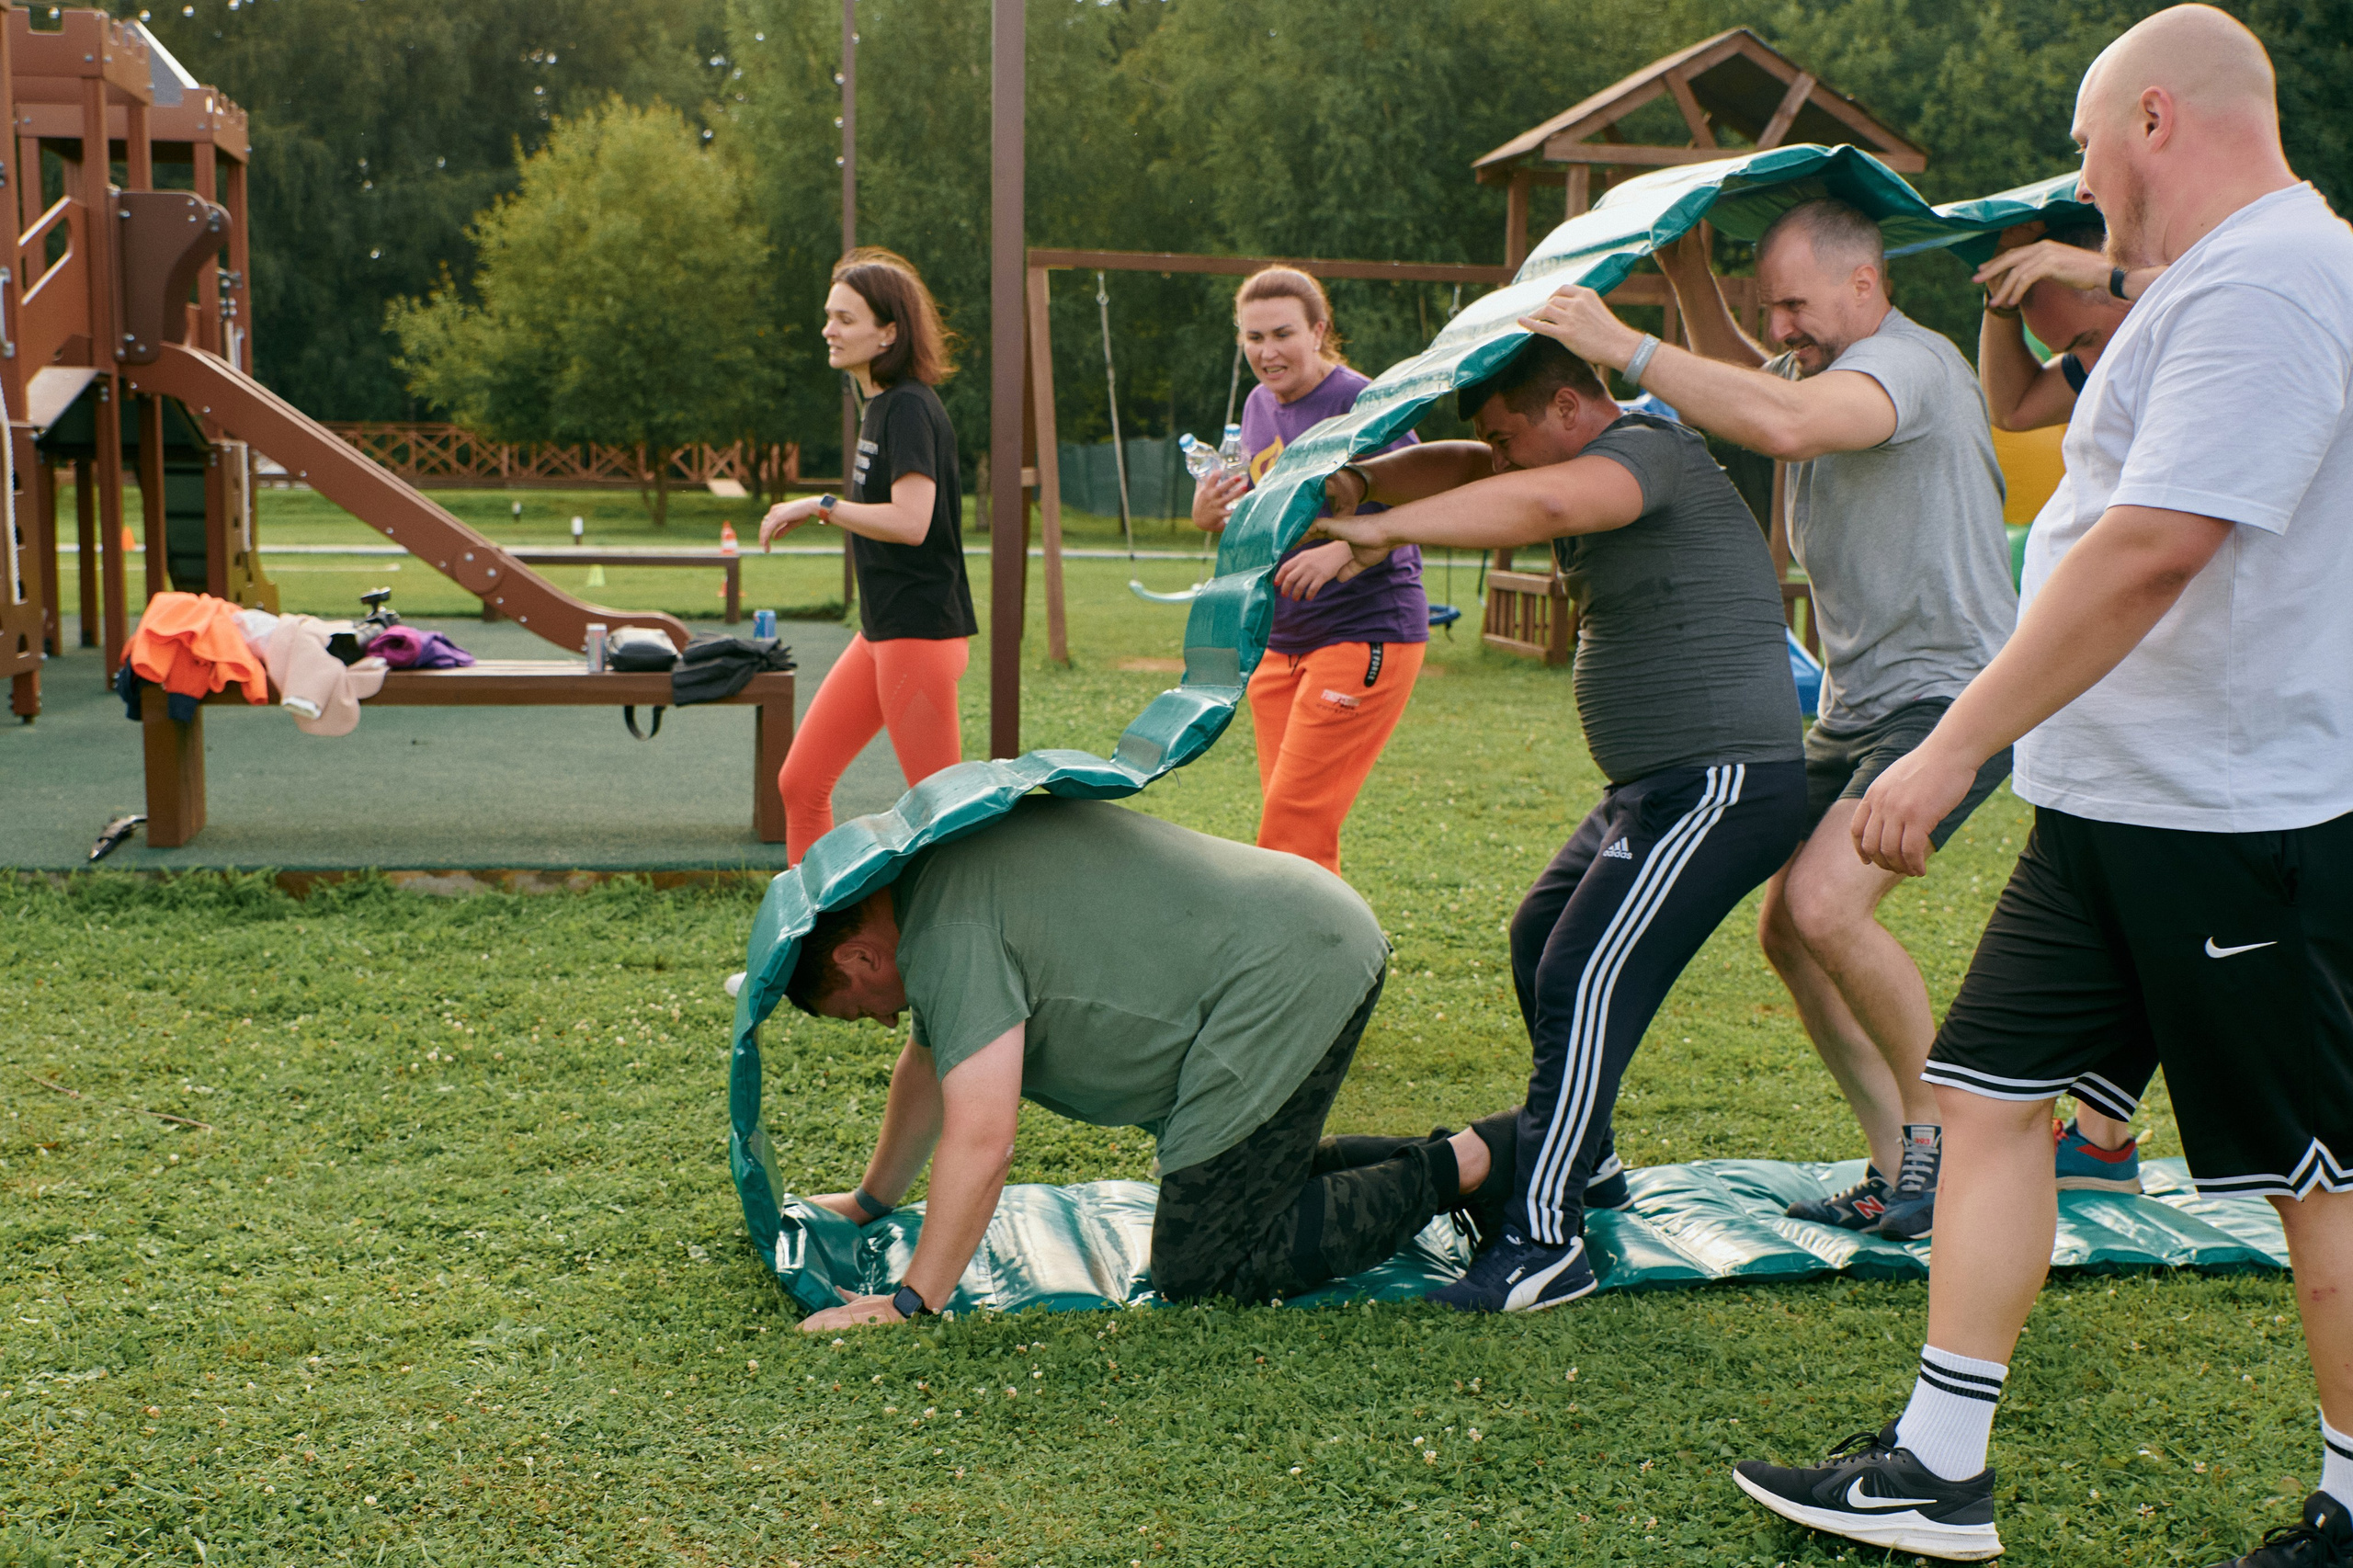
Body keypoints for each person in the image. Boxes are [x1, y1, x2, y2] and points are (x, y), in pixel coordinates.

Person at [1732, 10, 2353, 1563]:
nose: (2080, 182)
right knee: (1986, 1103)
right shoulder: (2208, 282)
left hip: (2233, 821)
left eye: (2085, 150)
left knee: (2316, 1180)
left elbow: (2156, 547)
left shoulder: (2279, 281)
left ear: (2155, 118)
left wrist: (1947, 749)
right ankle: (1940, 1469)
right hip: (2114, 810)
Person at [1520, 200, 2018, 1243]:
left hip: (1948, 699)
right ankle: (1897, 1163)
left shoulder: (1906, 367)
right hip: (1856, 707)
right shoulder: (1819, 368)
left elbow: (1778, 422)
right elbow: (1750, 390)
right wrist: (1692, 274)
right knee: (1786, 928)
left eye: (1793, 305)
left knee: (1828, 905)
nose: (1780, 328)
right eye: (1767, 308)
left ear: (1865, 286)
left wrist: (1623, 344)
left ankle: (1944, 1150)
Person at [1316, 335, 1807, 1312]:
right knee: (1542, 937)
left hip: (1723, 780)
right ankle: (1587, 1162)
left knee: (1583, 974)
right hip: (1656, 786)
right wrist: (1355, 479)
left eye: (1509, 436)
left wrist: (1385, 530)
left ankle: (1544, 1240)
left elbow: (1539, 500)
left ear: (1572, 407)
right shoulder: (1570, 448)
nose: (1495, 460)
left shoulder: (1646, 452)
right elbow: (1464, 465)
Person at [784, 796, 1519, 1331]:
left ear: (857, 955)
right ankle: (1507, 1148)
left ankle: (1481, 1161)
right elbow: (928, 1071)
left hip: (1285, 973)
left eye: (862, 1007)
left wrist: (911, 1303)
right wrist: (870, 1203)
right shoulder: (937, 877)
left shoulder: (948, 931)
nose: (885, 1019)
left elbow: (983, 1137)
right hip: (1302, 934)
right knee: (1247, 1191)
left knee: (1205, 1264)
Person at [1189, 267, 1425, 877]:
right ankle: (1325, 960)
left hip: (1365, 630)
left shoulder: (1360, 400)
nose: (1267, 352)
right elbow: (1265, 513)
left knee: (1291, 825)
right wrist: (1212, 514)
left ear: (1318, 331)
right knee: (1294, 821)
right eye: (1253, 337)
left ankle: (1286, 965)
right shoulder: (1258, 404)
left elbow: (1426, 499)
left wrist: (1342, 551)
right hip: (1282, 638)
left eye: (1282, 333)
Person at [759, 248, 977, 864]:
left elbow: (912, 523)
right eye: (830, 315)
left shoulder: (908, 406)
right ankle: (814, 948)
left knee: (942, 819)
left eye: (846, 319)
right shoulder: (879, 406)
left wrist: (820, 505)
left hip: (920, 633)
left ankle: (955, 950)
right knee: (801, 784)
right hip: (884, 631)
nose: (829, 329)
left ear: (888, 333)